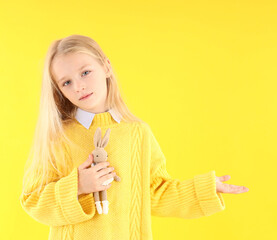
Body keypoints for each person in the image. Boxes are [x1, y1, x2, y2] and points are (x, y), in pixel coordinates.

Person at [19, 34, 249, 240]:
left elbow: (155, 192)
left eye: (85, 72)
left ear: (106, 67)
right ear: (60, 90)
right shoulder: (58, 137)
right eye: (67, 82)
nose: (79, 86)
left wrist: (206, 189)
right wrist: (78, 186)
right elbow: (32, 199)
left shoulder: (138, 132)